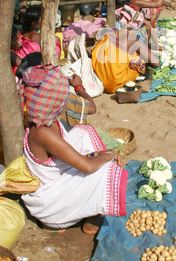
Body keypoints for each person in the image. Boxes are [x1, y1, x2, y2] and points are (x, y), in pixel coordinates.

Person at [19, 64, 128, 235]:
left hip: (56, 184)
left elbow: (67, 157)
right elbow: (88, 167)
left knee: (84, 132)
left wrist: (96, 155)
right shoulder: (43, 133)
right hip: (50, 205)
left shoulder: (46, 122)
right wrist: (107, 155)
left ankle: (84, 205)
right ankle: (91, 221)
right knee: (107, 170)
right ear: (56, 101)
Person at [92, 26, 160, 94]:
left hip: (100, 79)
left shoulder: (108, 34)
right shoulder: (134, 40)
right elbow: (156, 63)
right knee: (138, 58)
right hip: (116, 82)